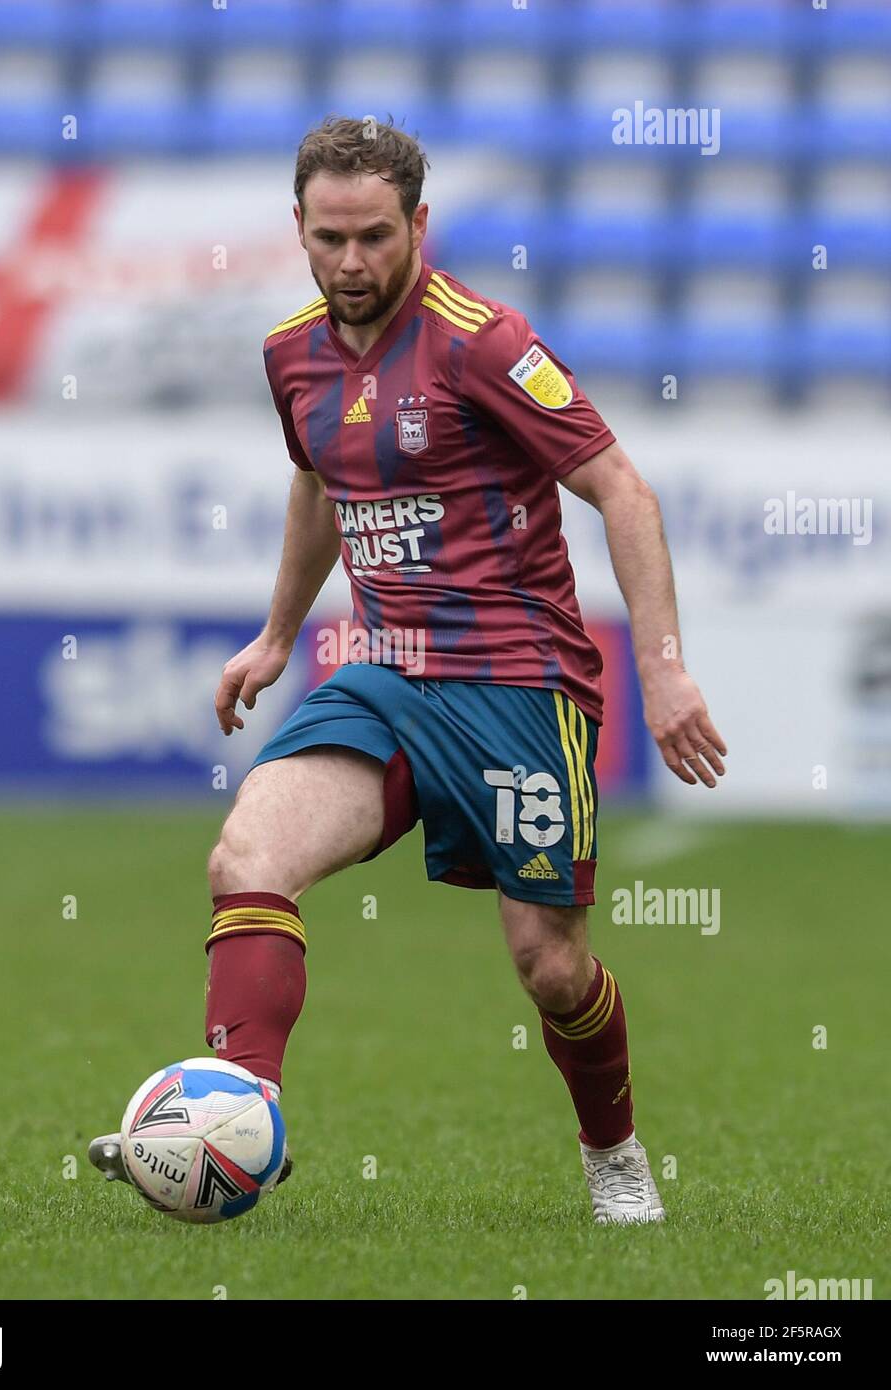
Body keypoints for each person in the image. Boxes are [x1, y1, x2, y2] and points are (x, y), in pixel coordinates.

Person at [91, 116, 726, 1224]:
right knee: (247, 852)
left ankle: (612, 1151)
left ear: (418, 225)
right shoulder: (289, 352)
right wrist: (278, 634)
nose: (351, 262)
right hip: (382, 673)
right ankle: (234, 1118)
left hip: (517, 685)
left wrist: (664, 670)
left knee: (550, 968)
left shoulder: (482, 342)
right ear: (296, 227)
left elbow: (621, 486)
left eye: (374, 237)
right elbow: (317, 484)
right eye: (329, 237)